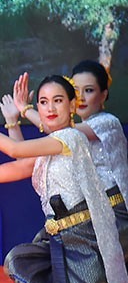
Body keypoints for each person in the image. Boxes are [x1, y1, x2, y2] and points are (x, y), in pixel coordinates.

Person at [0, 78, 127, 283]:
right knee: (17, 261)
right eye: (43, 102)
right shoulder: (47, 151)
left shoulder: (72, 138)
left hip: (85, 239)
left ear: (73, 106)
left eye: (58, 101)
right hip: (59, 236)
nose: (50, 108)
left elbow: (15, 149)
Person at [9, 63, 128, 253]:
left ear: (104, 94)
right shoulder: (61, 139)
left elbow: (59, 129)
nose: (81, 97)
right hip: (78, 217)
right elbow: (24, 161)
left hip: (110, 217)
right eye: (76, 91)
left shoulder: (107, 123)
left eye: (88, 90)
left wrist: (24, 109)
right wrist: (12, 122)